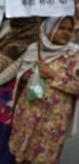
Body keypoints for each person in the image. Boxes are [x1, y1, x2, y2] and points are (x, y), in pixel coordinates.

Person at [8, 16, 79, 164]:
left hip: (52, 120)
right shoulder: (35, 49)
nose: (65, 32)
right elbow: (21, 77)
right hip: (29, 111)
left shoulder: (74, 55)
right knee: (21, 155)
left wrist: (52, 74)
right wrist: (33, 72)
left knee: (42, 157)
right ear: (50, 28)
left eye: (69, 29)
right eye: (61, 28)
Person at [0, 18, 37, 164]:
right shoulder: (8, 24)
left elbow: (17, 65)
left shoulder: (35, 34)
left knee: (1, 135)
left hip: (9, 92)